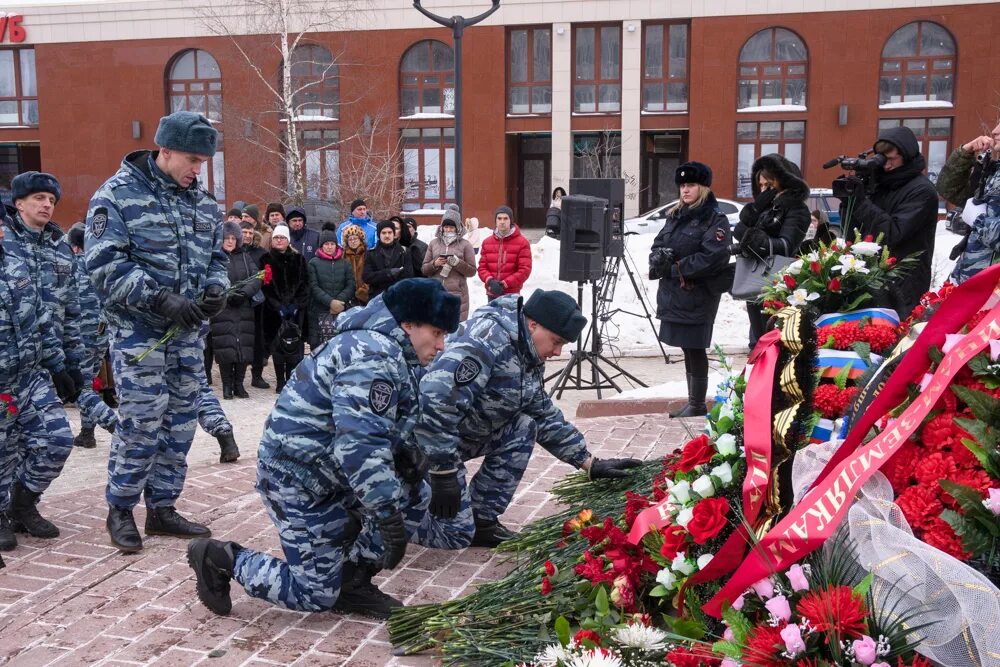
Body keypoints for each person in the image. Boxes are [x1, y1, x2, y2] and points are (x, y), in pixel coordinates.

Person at [186, 279, 461, 619]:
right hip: (297, 480)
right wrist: (387, 514)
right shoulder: (371, 354)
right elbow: (359, 444)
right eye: (436, 333)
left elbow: (378, 427)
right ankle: (221, 558)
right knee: (315, 594)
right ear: (408, 324)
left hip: (330, 471)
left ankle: (353, 581)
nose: (442, 345)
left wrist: (403, 453)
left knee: (414, 488)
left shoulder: (395, 352)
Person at [85, 110, 229, 553]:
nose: (198, 169)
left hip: (187, 337)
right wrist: (159, 298)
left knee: (182, 423)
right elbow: (103, 265)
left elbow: (218, 259)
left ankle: (163, 507)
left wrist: (215, 290)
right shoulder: (117, 196)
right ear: (163, 151)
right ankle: (121, 508)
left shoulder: (203, 203)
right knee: (142, 423)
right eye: (191, 159)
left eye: (203, 162)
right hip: (140, 336)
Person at [414, 290, 642, 548]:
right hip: (421, 444)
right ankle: (387, 515)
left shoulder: (527, 348)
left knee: (523, 427)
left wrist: (590, 463)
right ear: (533, 324)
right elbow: (434, 405)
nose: (557, 352)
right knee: (454, 535)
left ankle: (482, 520)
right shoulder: (483, 342)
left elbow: (539, 411)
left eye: (563, 345)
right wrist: (443, 472)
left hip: (460, 436)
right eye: (556, 341)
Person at [0, 173, 79, 547]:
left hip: (33, 368)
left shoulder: (58, 248)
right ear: (19, 204)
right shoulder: (3, 242)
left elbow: (64, 311)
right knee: (3, 449)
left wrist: (66, 363)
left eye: (51, 199)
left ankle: (22, 504)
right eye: (38, 198)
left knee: (57, 439)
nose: (47, 205)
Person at [648, 162, 732, 418]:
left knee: (695, 347)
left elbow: (713, 257)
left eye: (691, 185)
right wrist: (658, 257)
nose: (685, 190)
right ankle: (693, 401)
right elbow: (659, 242)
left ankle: (696, 404)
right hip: (675, 294)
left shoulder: (714, 219)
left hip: (698, 294)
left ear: (703, 187)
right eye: (682, 185)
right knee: (687, 347)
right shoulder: (676, 215)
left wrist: (675, 268)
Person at [837, 126, 938, 318]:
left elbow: (893, 233)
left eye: (891, 159)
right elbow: (852, 234)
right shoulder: (878, 184)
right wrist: (848, 201)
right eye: (882, 160)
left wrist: (861, 203)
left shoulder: (922, 191)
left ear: (907, 156)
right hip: (868, 278)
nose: (886, 166)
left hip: (903, 284)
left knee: (894, 343)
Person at [733, 153, 811, 349]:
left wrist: (758, 241)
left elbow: (786, 246)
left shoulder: (797, 210)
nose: (764, 190)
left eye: (769, 185)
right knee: (757, 339)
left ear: (783, 182)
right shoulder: (765, 209)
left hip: (777, 282)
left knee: (772, 340)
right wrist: (755, 209)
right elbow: (739, 230)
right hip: (755, 280)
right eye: (760, 186)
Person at [66, 222, 118, 449]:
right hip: (100, 335)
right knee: (88, 384)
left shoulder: (70, 267)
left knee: (78, 387)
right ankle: (87, 433)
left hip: (78, 337)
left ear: (74, 247)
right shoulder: (100, 266)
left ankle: (114, 424)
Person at [936, 120, 1000, 284]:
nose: (994, 131)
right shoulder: (994, 170)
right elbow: (949, 189)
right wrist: (965, 153)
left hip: (993, 291)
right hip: (971, 282)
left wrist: (978, 220)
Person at [210, 221, 262, 400]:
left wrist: (244, 293)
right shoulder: (215, 257)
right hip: (222, 308)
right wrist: (223, 294)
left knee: (243, 345)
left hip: (243, 306)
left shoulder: (245, 257)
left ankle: (239, 384)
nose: (230, 241)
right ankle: (227, 385)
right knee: (225, 345)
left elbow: (257, 279)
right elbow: (209, 280)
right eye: (227, 238)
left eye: (233, 238)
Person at [260, 224, 308, 392]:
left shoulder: (299, 259)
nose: (279, 240)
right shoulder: (265, 260)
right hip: (274, 312)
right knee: (277, 347)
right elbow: (264, 287)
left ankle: (290, 378)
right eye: (276, 238)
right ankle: (280, 380)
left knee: (293, 346)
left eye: (282, 238)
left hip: (294, 311)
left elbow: (304, 285)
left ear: (288, 240)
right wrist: (277, 305)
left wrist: (296, 305)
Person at [422, 207, 477, 320]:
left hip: (457, 297)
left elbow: (472, 271)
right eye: (446, 227)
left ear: (457, 228)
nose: (448, 230)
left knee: (455, 333)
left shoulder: (465, 245)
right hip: (435, 294)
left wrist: (457, 263)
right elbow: (424, 269)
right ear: (441, 227)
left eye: (451, 227)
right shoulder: (433, 243)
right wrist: (435, 264)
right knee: (436, 331)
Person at [307, 224, 356, 348]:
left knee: (339, 346)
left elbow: (350, 284)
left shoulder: (345, 263)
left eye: (332, 244)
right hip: (319, 311)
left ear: (336, 245)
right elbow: (313, 286)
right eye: (326, 244)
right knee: (319, 347)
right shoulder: (313, 263)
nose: (329, 247)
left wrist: (340, 301)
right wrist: (330, 302)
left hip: (341, 310)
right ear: (321, 246)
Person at [477, 206, 532, 300]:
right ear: (496, 221)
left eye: (505, 218)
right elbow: (482, 268)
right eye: (499, 218)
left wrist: (504, 284)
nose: (502, 221)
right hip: (492, 293)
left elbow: (524, 270)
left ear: (511, 220)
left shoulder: (522, 243)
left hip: (512, 295)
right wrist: (490, 281)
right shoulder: (487, 242)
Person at [363, 220, 414, 300]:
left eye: (390, 232)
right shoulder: (370, 253)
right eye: (383, 233)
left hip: (399, 297)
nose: (387, 235)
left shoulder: (404, 251)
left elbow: (409, 275)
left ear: (394, 234)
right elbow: (367, 277)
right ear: (379, 235)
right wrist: (387, 273)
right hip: (377, 298)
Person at [341, 223, 370, 308]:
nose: (353, 241)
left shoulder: (368, 254)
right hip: (348, 298)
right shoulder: (343, 257)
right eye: (350, 239)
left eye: (355, 238)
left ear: (361, 239)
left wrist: (363, 291)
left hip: (366, 296)